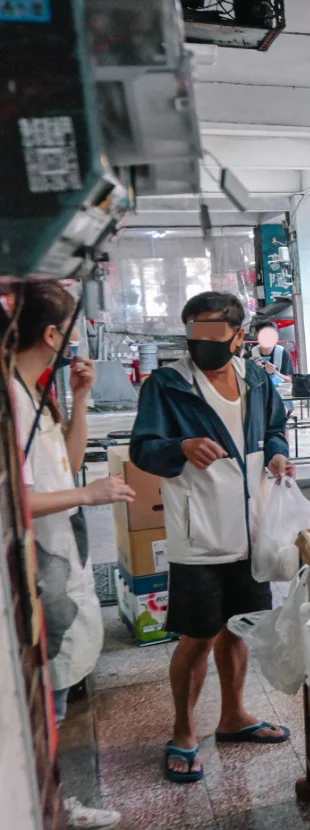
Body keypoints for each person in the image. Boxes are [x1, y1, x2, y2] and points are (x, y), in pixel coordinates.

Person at [130, 291, 296, 783]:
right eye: (193, 332)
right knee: (197, 637)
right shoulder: (168, 385)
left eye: (212, 333)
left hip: (252, 530)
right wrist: (180, 445)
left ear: (238, 335)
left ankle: (233, 716)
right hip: (198, 534)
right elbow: (144, 448)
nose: (201, 343)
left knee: (239, 628)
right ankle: (183, 731)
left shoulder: (259, 379)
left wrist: (278, 454)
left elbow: (276, 429)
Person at [11, 282, 135, 828]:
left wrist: (81, 400)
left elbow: (66, 460)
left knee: (56, 688)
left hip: (62, 555)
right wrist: (91, 494)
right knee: (47, 696)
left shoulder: (34, 389)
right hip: (38, 565)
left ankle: (55, 800)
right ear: (52, 332)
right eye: (73, 332)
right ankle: (48, 806)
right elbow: (15, 500)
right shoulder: (9, 399)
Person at [248, 321, 294, 385]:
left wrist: (275, 373)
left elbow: (290, 380)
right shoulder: (250, 355)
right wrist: (251, 368)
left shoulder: (283, 353)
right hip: (258, 393)